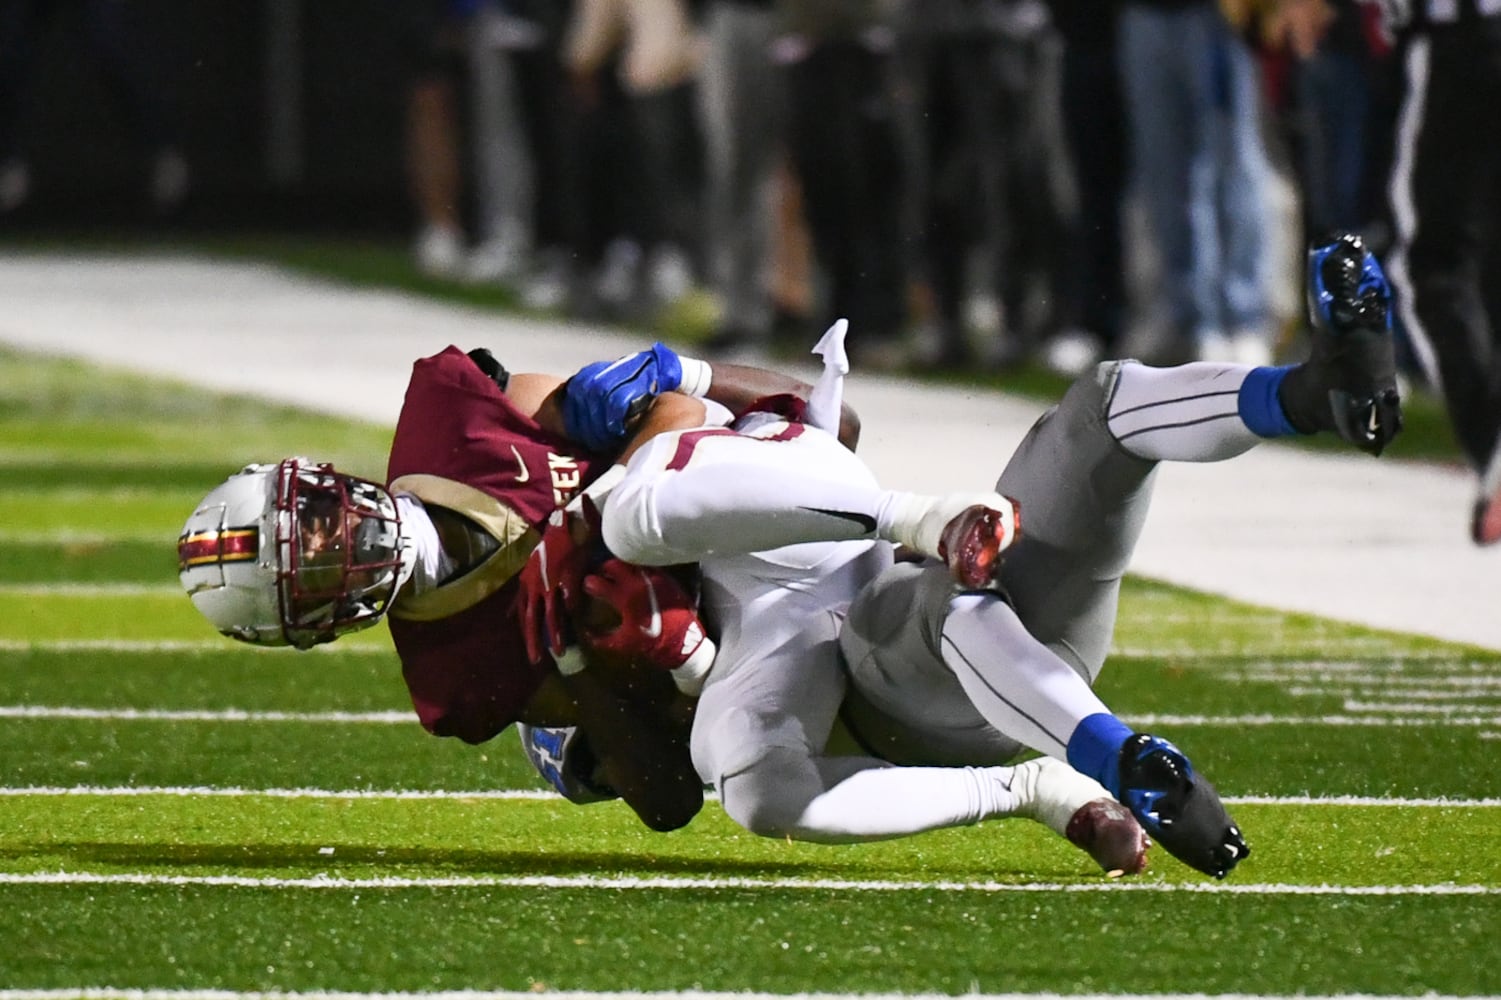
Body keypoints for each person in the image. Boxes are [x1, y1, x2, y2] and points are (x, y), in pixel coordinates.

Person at [517, 231, 1399, 881]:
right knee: (900, 626)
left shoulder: (649, 529)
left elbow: (816, 422)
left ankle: (1313, 392)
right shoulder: (732, 731)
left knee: (1101, 408)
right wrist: (1033, 793)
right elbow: (713, 795)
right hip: (929, 671)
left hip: (984, 598)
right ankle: (1115, 756)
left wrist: (692, 379)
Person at [175, 336, 1018, 833]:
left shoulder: (458, 416)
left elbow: (808, 411)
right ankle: (1022, 791)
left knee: (792, 433)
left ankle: (926, 518)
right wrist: (603, 669)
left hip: (774, 512)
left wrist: (676, 379)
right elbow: (672, 797)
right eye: (311, 572)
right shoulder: (458, 674)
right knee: (656, 753)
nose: (335, 543)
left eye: (315, 519)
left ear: (321, 479)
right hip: (767, 644)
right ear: (319, 626)